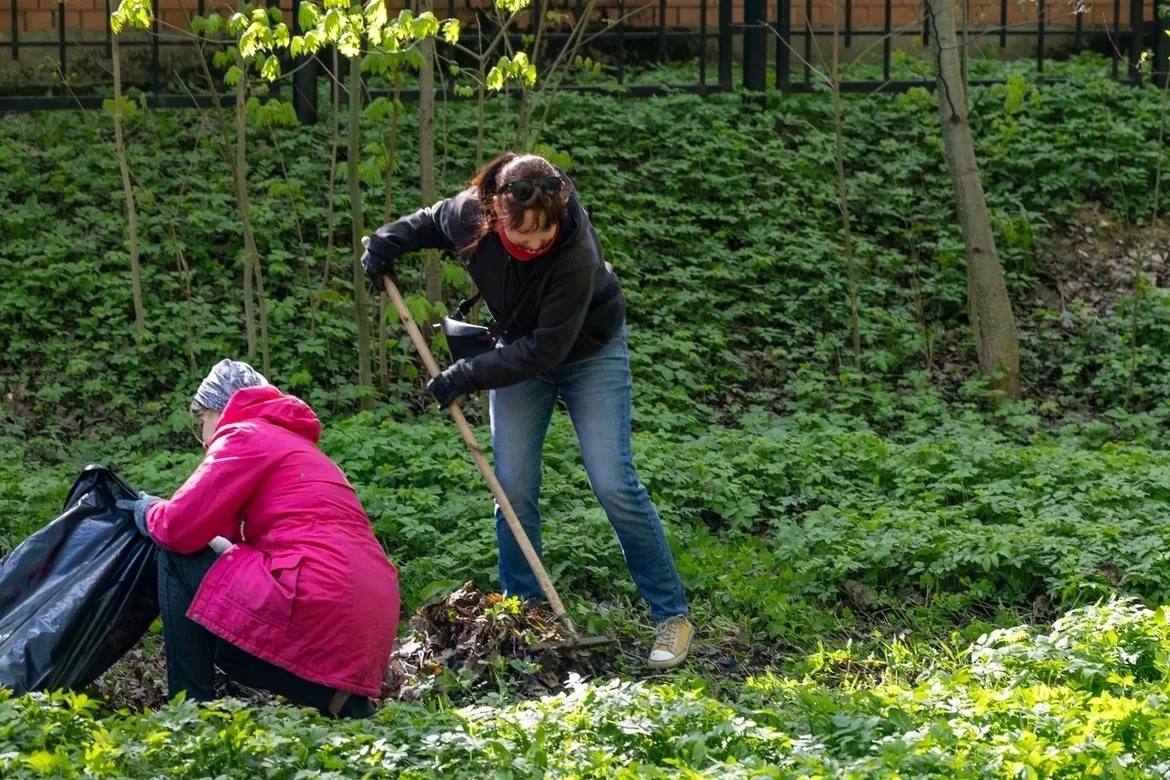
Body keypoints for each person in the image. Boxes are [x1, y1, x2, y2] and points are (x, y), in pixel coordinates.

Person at [361, 152, 693, 669]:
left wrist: (467, 375)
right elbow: (429, 222)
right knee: (512, 486)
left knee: (613, 482)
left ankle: (671, 615)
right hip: (518, 350)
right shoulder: (469, 213)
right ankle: (527, 615)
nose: (536, 243)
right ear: (495, 213)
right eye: (524, 235)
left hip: (588, 352)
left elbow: (546, 351)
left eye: (546, 232)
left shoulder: (576, 253)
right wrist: (386, 243)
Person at [119, 359, 399, 717]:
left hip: (319, 588)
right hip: (369, 604)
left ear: (218, 412)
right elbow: (222, 539)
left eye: (202, 423)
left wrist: (145, 509)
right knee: (225, 638)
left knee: (174, 555)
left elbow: (178, 529)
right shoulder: (294, 445)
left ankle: (187, 715)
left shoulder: (245, 434)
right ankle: (342, 704)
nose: (204, 440)